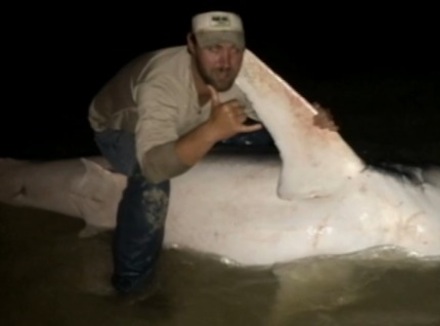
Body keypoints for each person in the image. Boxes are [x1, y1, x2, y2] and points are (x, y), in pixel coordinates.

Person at [88, 10, 337, 296]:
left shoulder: (238, 76)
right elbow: (154, 164)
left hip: (193, 120)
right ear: (192, 45)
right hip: (121, 130)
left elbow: (277, 119)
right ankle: (130, 286)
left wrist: (311, 121)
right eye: (214, 49)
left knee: (259, 134)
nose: (226, 62)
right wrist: (212, 132)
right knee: (151, 182)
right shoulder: (161, 82)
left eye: (234, 50)